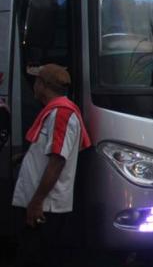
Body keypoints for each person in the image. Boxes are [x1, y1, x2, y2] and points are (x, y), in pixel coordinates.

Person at [12, 64, 92, 267]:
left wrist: (37, 202)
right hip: (43, 205)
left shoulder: (61, 114)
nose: (34, 85)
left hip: (46, 207)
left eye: (36, 81)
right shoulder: (55, 112)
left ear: (43, 85)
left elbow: (57, 161)